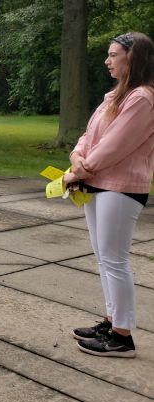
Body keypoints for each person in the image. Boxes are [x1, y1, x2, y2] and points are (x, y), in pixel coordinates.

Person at [65, 31, 154, 358]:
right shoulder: (113, 96)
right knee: (104, 260)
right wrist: (77, 158)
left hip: (121, 188)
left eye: (113, 54)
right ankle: (110, 320)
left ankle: (122, 336)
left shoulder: (142, 98)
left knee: (115, 260)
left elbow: (114, 147)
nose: (107, 60)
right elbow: (87, 137)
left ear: (133, 58)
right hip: (97, 184)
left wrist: (77, 171)